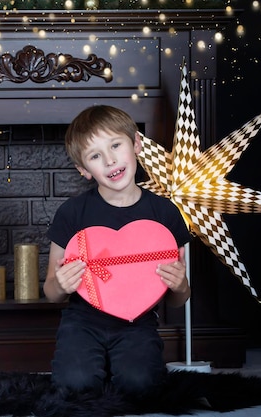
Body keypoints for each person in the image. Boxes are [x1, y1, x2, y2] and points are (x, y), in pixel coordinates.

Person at [43, 104, 192, 397]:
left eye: (116, 145)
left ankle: (119, 366)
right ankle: (96, 366)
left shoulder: (165, 213)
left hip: (138, 321)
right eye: (95, 156)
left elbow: (178, 299)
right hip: (82, 322)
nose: (110, 161)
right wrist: (60, 284)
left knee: (142, 386)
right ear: (84, 169)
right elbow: (50, 292)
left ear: (136, 143)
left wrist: (181, 284)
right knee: (75, 386)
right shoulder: (72, 213)